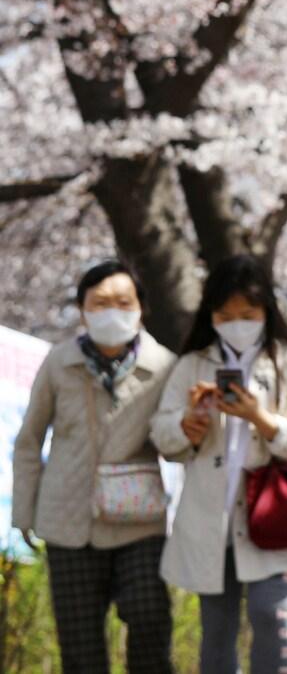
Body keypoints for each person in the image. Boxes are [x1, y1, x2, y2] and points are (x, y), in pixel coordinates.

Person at [149, 255, 287, 674]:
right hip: (211, 515)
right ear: (211, 314)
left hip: (273, 513)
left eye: (248, 313)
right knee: (217, 628)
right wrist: (188, 425)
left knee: (269, 614)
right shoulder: (192, 363)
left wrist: (258, 417)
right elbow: (161, 432)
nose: (237, 323)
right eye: (226, 314)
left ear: (267, 311)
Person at [11, 261, 177, 674]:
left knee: (150, 619)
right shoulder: (58, 363)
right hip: (67, 519)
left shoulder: (164, 367)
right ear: (83, 310)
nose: (112, 311)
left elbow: (172, 439)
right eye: (100, 303)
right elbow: (30, 440)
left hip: (138, 520)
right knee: (80, 648)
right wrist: (24, 513)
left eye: (123, 301)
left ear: (141, 307)